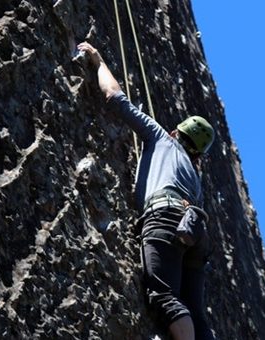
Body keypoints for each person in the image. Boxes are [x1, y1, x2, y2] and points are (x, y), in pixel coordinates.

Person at [77, 42, 216, 340]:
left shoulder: (164, 141)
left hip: (165, 219)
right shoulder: (195, 176)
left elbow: (115, 98)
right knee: (195, 308)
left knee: (163, 294)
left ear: (177, 132)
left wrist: (99, 60)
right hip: (194, 231)